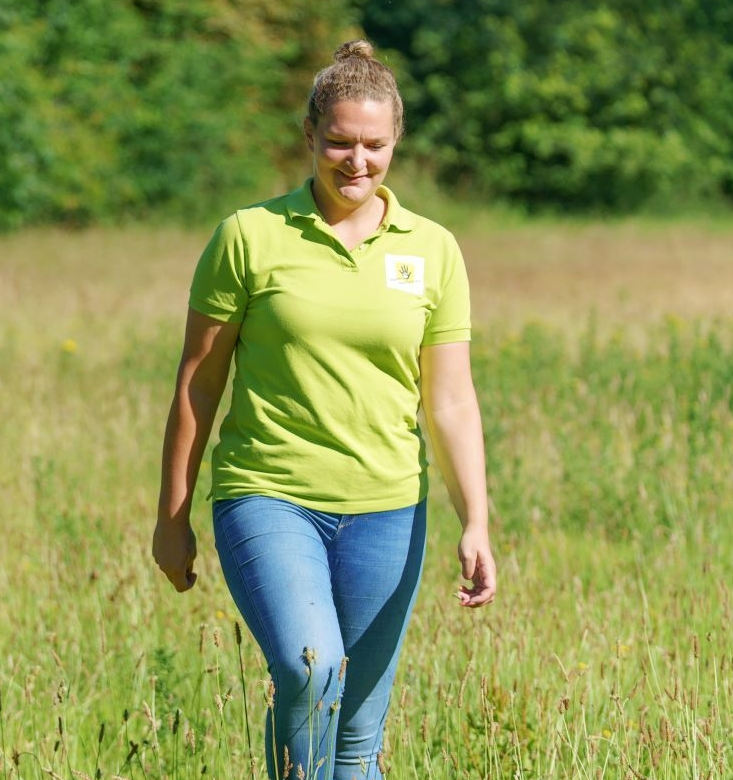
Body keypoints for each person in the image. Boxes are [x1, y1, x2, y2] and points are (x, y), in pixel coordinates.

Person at [148, 40, 498, 780]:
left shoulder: (433, 250)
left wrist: (476, 519)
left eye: (375, 146)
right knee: (311, 673)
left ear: (397, 142)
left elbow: (452, 398)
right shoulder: (249, 237)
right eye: (339, 142)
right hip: (268, 492)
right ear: (309, 135)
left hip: (388, 508)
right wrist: (171, 517)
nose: (357, 162)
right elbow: (198, 384)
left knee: (358, 739)